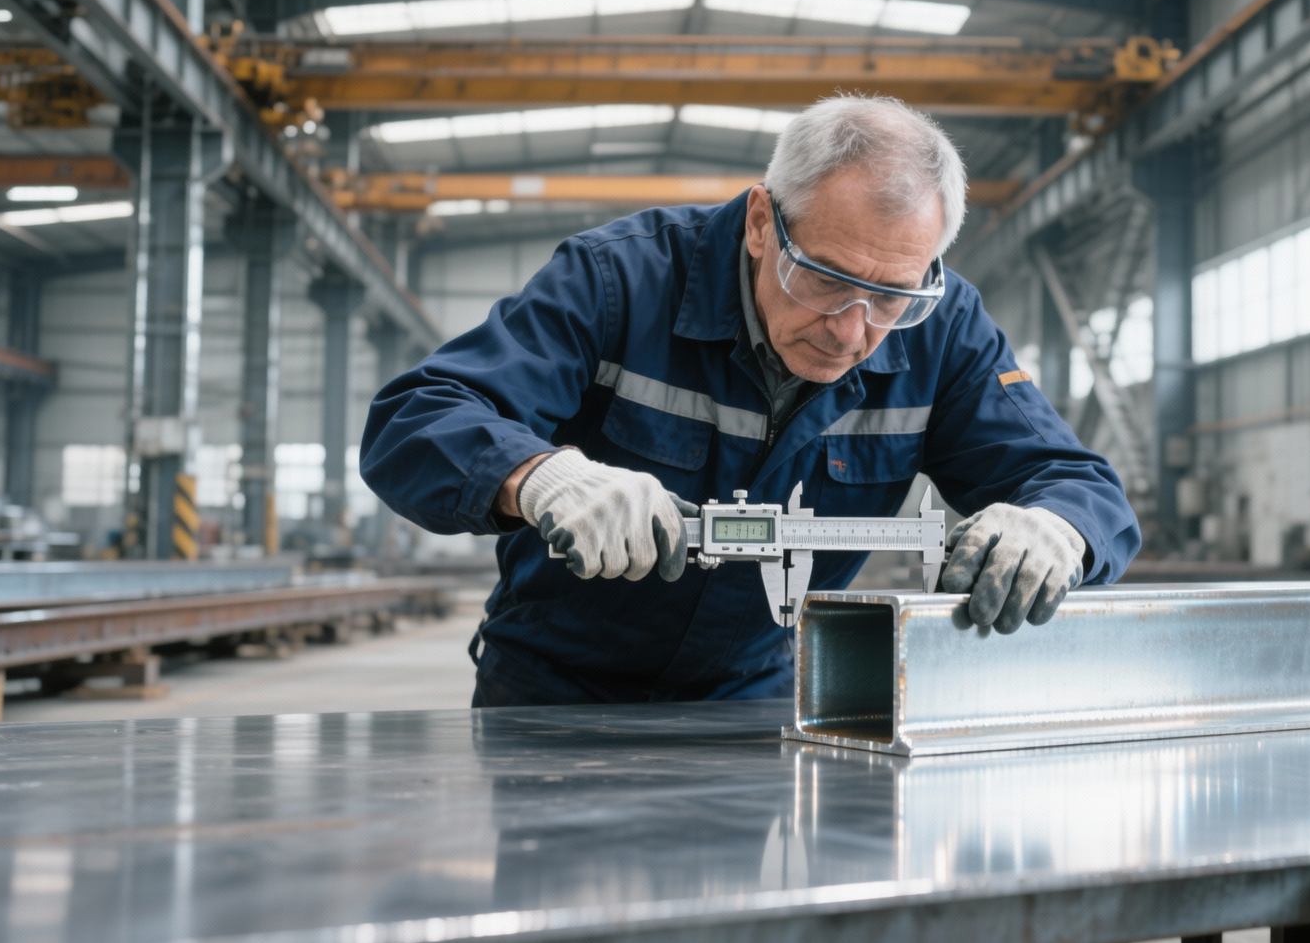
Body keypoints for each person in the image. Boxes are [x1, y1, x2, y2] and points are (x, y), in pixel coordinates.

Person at [361, 95, 1140, 707]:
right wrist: (537, 476)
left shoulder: (944, 328)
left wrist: (1059, 526)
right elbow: (416, 417)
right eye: (827, 280)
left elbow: (1079, 484)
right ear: (763, 222)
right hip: (551, 694)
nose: (852, 331)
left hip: (762, 698)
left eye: (891, 298)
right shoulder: (617, 282)